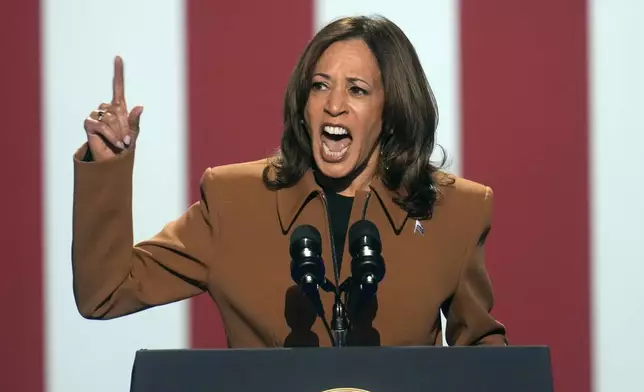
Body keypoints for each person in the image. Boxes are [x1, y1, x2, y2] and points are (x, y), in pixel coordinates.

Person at [73, 15, 507, 347]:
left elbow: (484, 352)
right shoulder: (235, 204)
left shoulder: (451, 212)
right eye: (320, 86)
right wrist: (106, 165)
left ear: (390, 113)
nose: (334, 105)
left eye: (356, 89)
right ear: (303, 104)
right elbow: (105, 292)